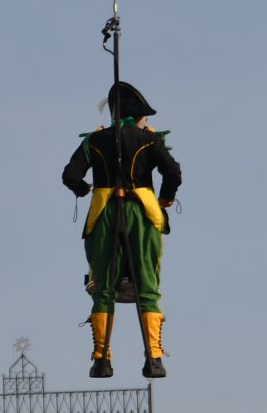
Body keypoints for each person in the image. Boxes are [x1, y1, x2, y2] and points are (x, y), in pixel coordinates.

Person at [62, 81, 182, 379]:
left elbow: (70, 175)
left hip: (103, 212)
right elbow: (173, 171)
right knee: (148, 287)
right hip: (142, 213)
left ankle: (101, 360)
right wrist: (165, 198)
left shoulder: (94, 140)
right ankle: (154, 358)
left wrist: (82, 189)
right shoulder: (149, 140)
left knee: (102, 287)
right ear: (137, 115)